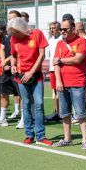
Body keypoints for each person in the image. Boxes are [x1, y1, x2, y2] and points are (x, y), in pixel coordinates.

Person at [8, 17, 52, 145]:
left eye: (16, 32)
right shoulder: (13, 39)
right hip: (21, 77)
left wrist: (31, 72)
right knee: (26, 105)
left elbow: (42, 55)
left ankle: (41, 136)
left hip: (36, 76)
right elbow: (14, 55)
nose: (14, 35)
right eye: (12, 33)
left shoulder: (36, 33)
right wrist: (13, 65)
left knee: (39, 105)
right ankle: (29, 135)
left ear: (22, 28)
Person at [52, 16, 86, 148]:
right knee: (65, 113)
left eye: (65, 29)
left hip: (77, 82)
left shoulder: (82, 42)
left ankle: (85, 140)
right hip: (62, 83)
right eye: (60, 29)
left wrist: (61, 60)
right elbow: (54, 63)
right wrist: (58, 80)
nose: (62, 31)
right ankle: (67, 138)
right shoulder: (59, 44)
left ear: (73, 29)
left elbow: (78, 59)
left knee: (80, 113)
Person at [45, 20, 62, 123]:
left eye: (54, 28)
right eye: (51, 28)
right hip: (52, 69)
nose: (52, 30)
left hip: (60, 68)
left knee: (63, 91)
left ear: (59, 29)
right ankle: (57, 112)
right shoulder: (50, 40)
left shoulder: (62, 39)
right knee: (55, 92)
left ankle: (64, 112)